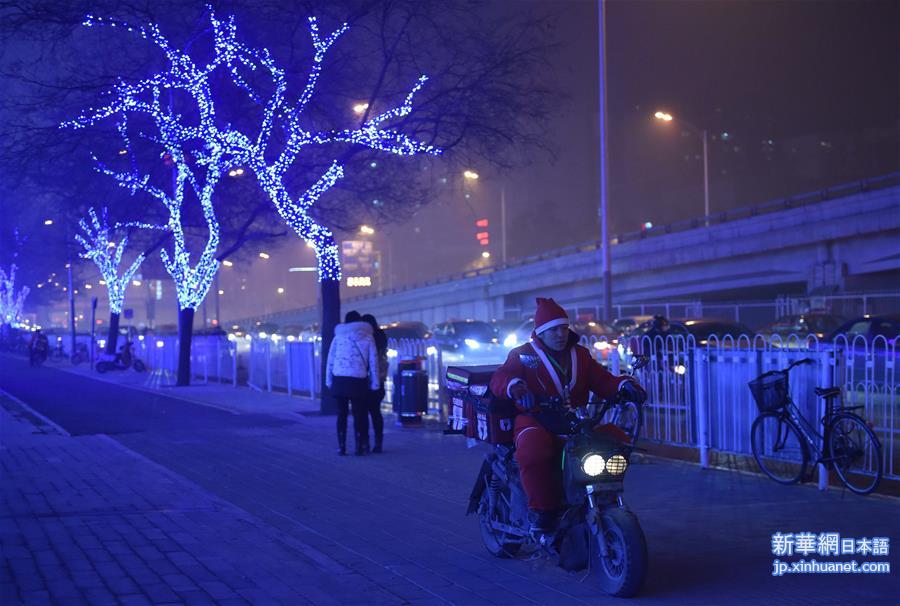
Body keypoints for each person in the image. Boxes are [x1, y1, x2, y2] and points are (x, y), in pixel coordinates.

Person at [490, 297, 647, 536]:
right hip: (536, 419)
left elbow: (602, 380)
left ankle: (601, 493)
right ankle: (541, 513)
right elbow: (501, 377)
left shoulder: (580, 355)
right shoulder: (522, 355)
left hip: (575, 421)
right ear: (540, 333)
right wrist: (516, 387)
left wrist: (623, 386)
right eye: (553, 330)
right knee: (533, 450)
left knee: (615, 440)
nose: (560, 334)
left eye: (563, 328)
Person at [326, 310, 380, 455]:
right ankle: (358, 447)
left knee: (341, 414)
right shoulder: (368, 337)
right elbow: (373, 362)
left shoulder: (338, 337)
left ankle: (341, 446)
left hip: (340, 380)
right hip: (358, 381)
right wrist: (375, 383)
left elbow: (330, 360)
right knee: (359, 414)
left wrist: (328, 381)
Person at [361, 313, 388, 453]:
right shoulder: (381, 337)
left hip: (365, 379)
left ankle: (365, 442)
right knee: (376, 412)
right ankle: (379, 442)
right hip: (379, 378)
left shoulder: (367, 339)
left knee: (364, 413)